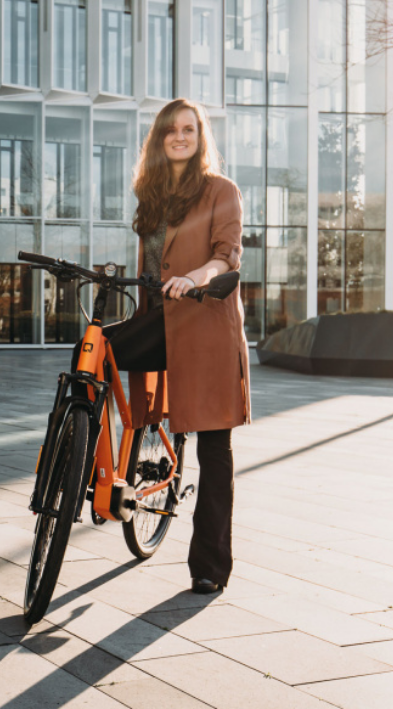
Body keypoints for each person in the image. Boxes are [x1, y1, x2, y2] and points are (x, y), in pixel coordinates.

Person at [129, 98, 251, 595]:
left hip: (204, 323)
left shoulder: (221, 190)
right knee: (94, 360)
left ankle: (209, 565)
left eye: (189, 129)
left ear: (200, 137)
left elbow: (228, 253)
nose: (180, 136)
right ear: (159, 139)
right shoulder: (151, 194)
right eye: (171, 130)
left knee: (214, 445)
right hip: (159, 320)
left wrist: (198, 276)